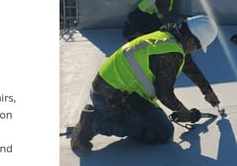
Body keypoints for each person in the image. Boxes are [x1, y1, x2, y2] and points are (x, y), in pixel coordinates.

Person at [72, 15, 222, 152]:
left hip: (109, 89)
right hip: (111, 97)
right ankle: (93, 123)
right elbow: (164, 94)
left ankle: (109, 117)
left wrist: (207, 91)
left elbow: (189, 66)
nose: (195, 51)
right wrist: (184, 113)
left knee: (155, 121)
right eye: (198, 47)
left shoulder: (167, 38)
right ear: (190, 40)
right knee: (161, 132)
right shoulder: (171, 53)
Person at [122, 0, 187, 40]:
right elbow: (167, 15)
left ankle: (134, 28)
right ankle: (131, 30)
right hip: (141, 16)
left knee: (158, 27)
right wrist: (183, 17)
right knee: (157, 31)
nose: (178, 0)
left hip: (142, 15)